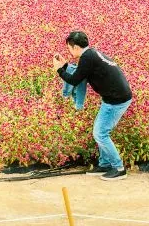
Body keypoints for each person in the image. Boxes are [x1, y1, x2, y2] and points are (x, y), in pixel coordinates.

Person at [53, 31, 133, 181]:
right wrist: (65, 65)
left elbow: (74, 80)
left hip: (116, 100)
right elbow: (81, 72)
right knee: (101, 131)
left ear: (75, 47)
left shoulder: (87, 58)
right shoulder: (90, 54)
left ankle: (119, 168)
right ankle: (104, 164)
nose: (69, 52)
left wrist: (59, 69)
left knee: (100, 134)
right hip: (114, 97)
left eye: (69, 48)